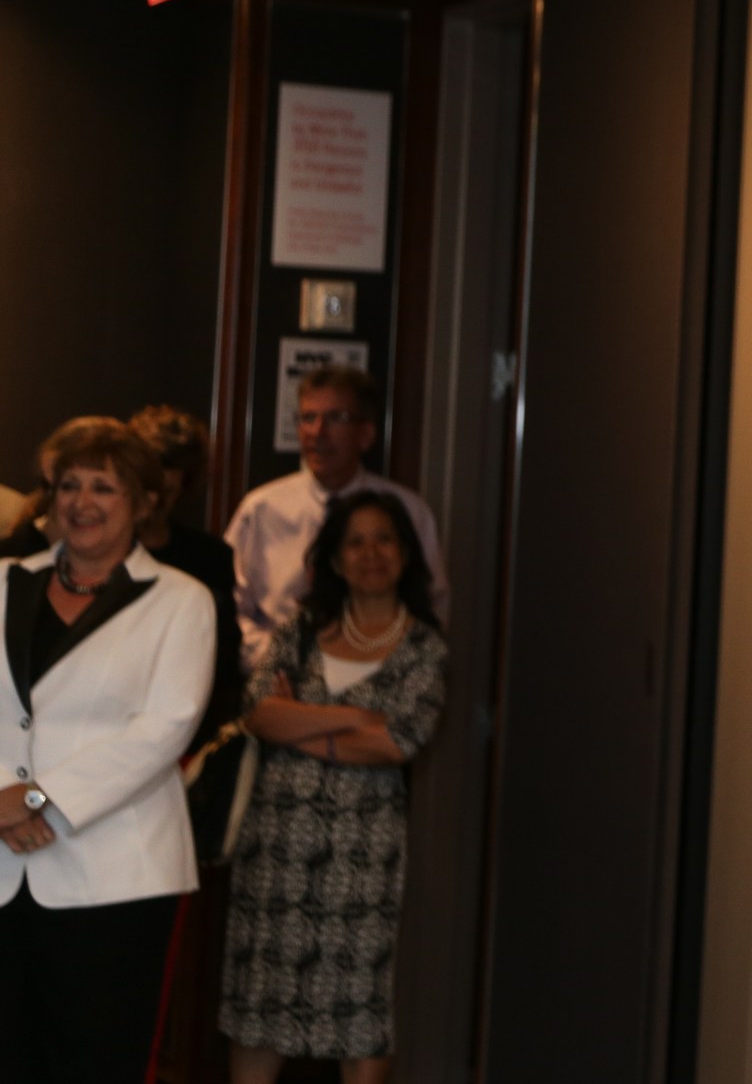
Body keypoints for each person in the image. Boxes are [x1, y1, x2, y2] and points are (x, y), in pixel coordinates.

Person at [0, 417, 218, 1081]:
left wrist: (39, 797)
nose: (82, 502)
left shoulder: (182, 601)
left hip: (116, 875)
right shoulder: (6, 580)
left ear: (145, 502)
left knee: (97, 1063)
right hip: (5, 869)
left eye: (105, 487)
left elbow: (164, 729)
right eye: (69, 484)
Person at [222, 490, 447, 1084]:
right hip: (275, 853)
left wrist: (301, 725)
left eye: (385, 539)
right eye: (355, 541)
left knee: (361, 1007)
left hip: (365, 859)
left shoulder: (425, 646)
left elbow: (401, 742)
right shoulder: (300, 629)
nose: (371, 552)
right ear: (335, 559)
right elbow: (257, 712)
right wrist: (352, 719)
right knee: (259, 1007)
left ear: (406, 554)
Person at [227, 367, 446, 664]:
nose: (318, 432)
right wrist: (281, 658)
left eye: (336, 418)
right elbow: (231, 608)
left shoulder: (406, 510)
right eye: (308, 418)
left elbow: (432, 604)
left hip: (380, 673)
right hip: (277, 673)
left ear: (366, 433)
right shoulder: (261, 509)